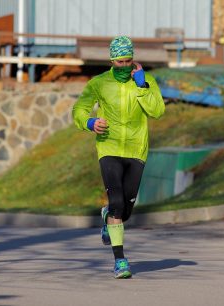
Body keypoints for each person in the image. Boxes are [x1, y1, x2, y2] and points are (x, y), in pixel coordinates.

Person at [72, 35, 165, 278]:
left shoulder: (145, 81)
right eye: (119, 62)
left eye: (127, 61)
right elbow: (79, 109)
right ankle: (120, 260)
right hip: (109, 149)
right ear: (112, 61)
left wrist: (143, 87)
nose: (124, 66)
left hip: (136, 150)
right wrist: (90, 122)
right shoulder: (99, 83)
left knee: (126, 210)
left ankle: (108, 216)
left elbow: (158, 111)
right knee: (116, 203)